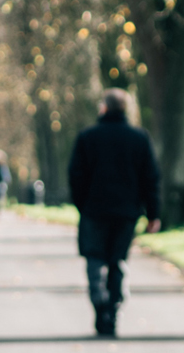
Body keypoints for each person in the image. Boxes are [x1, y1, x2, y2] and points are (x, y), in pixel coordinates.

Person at [68, 90, 161, 336]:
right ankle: (113, 306)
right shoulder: (140, 139)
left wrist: (83, 205)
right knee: (117, 260)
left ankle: (100, 299)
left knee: (95, 258)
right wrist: (153, 213)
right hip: (126, 212)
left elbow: (76, 176)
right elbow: (150, 178)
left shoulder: (87, 138)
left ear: (104, 109)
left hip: (94, 210)